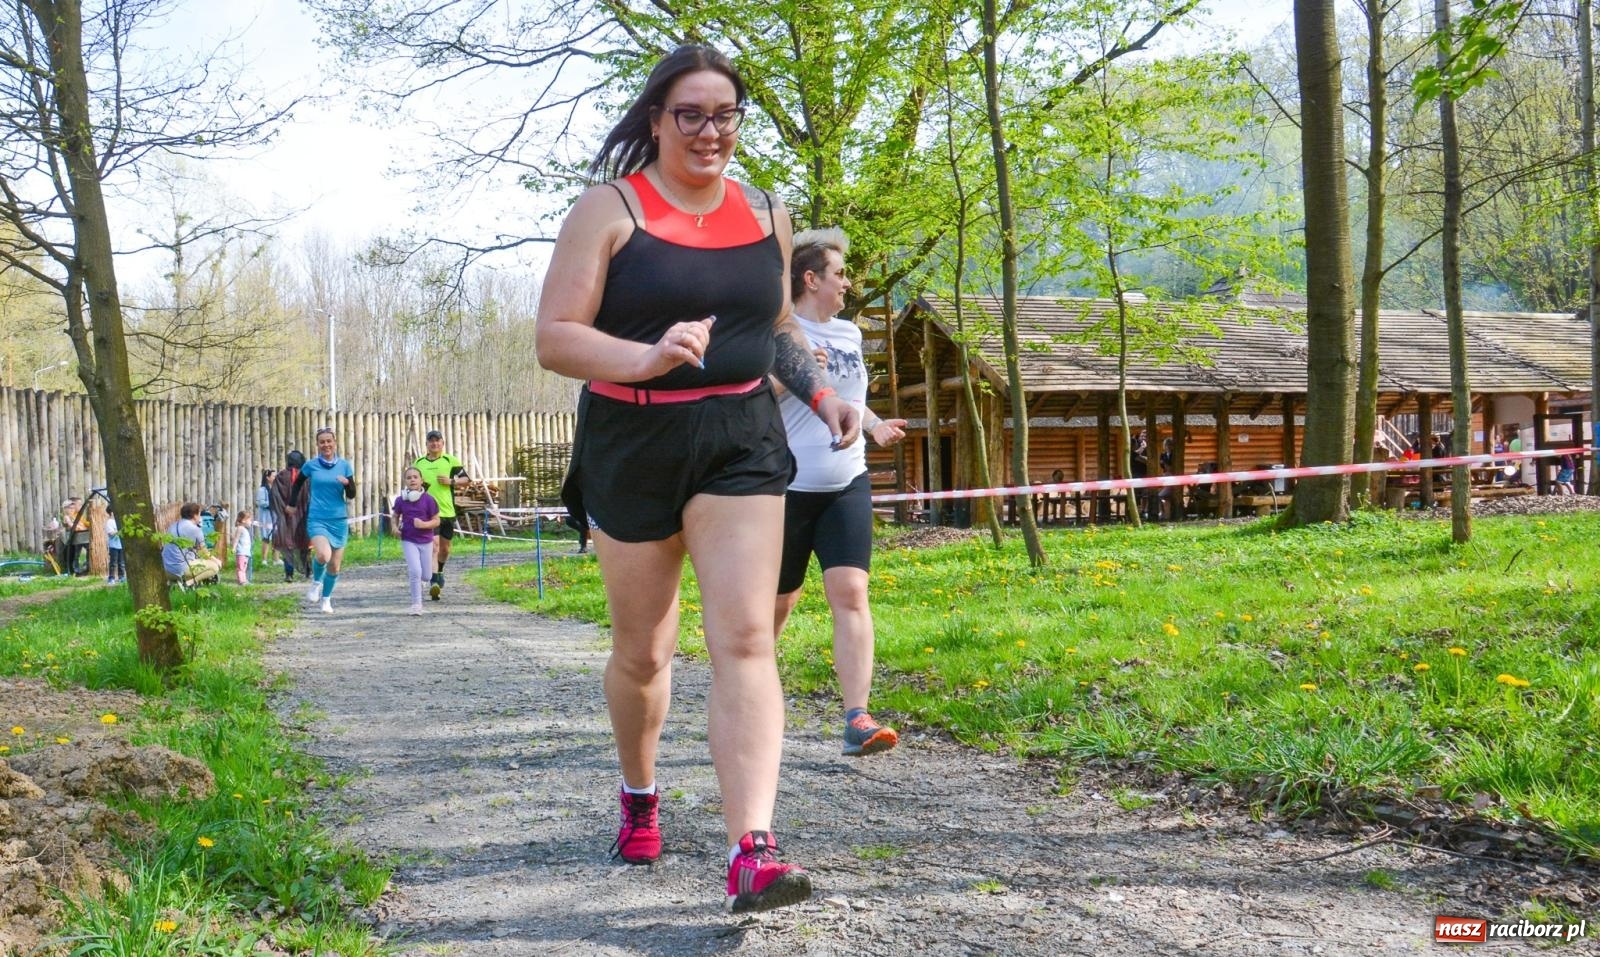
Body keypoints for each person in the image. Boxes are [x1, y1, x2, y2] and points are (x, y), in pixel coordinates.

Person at [535, 44, 859, 915]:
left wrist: (819, 387)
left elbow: (776, 325)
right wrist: (646, 352)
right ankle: (639, 795)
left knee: (746, 638)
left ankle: (751, 847)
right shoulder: (608, 210)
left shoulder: (767, 213)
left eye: (725, 115)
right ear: (656, 119)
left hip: (740, 438)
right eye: (691, 115)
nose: (711, 132)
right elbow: (555, 335)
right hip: (632, 435)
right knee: (644, 652)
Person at [771, 226, 907, 760]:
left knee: (851, 593)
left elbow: (850, 398)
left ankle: (857, 718)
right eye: (840, 274)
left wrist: (872, 426)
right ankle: (746, 694)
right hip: (785, 488)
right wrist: (796, 378)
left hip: (846, 481)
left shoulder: (850, 334)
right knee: (778, 605)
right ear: (811, 279)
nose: (848, 284)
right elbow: (751, 398)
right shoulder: (778, 332)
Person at [293, 427, 356, 613]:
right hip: (317, 518)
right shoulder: (311, 465)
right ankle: (315, 583)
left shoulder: (344, 466)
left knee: (335, 566)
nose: (326, 445)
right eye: (322, 442)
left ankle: (326, 600)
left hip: (339, 520)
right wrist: (291, 504)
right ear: (317, 445)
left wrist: (348, 484)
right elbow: (297, 484)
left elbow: (352, 494)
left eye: (329, 441)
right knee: (323, 555)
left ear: (335, 443)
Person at [413, 430, 466, 601]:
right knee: (434, 546)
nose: (434, 444)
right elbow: (412, 482)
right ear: (427, 444)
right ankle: (434, 582)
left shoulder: (450, 461)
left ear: (442, 443)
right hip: (427, 513)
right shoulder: (419, 463)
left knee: (445, 549)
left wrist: (452, 481)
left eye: (437, 441)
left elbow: (466, 480)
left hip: (447, 511)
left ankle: (440, 571)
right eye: (431, 441)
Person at [392, 466, 441, 616]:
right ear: (405, 482)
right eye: (409, 477)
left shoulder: (429, 500)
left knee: (426, 576)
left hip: (426, 540)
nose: (412, 479)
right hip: (408, 539)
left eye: (415, 477)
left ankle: (422, 583)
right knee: (415, 571)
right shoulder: (401, 500)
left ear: (421, 480)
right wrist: (394, 527)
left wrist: (424, 525)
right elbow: (395, 516)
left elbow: (437, 521)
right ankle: (416, 604)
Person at [270, 451, 311, 582]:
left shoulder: (281, 476)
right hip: (302, 518)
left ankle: (289, 574)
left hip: (286, 519)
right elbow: (311, 496)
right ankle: (307, 571)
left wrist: (284, 509)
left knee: (288, 545)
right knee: (303, 544)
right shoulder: (306, 476)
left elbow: (274, 496)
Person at [161, 502, 222, 586]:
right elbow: (205, 553)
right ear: (195, 515)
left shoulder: (172, 526)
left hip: (166, 570)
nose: (200, 517)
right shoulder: (195, 530)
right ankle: (188, 584)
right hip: (181, 570)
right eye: (199, 514)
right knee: (214, 567)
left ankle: (175, 583)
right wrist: (216, 561)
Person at [59, 497, 90, 576]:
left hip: (82, 536)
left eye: (73, 508)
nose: (72, 510)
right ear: (65, 509)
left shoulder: (76, 516)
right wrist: (79, 527)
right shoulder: (67, 517)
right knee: (76, 554)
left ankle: (87, 565)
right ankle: (75, 569)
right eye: (70, 508)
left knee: (89, 549)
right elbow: (73, 526)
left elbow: (83, 523)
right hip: (75, 538)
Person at [256, 470, 278, 568]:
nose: (275, 478)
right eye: (273, 476)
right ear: (267, 478)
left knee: (276, 537)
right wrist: (272, 505)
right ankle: (264, 559)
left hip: (275, 515)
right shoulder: (262, 490)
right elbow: (261, 503)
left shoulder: (276, 488)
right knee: (266, 538)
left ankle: (276, 559)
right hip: (266, 517)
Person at [232, 510, 253, 584]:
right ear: (244, 520)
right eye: (250, 520)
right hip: (241, 552)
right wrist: (234, 547)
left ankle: (244, 579)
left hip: (246, 552)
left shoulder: (245, 529)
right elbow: (236, 539)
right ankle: (241, 581)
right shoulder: (240, 528)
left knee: (244, 567)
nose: (251, 522)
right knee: (240, 567)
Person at [105, 508, 125, 585]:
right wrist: (119, 530)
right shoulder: (109, 522)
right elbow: (110, 533)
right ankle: (111, 578)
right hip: (113, 545)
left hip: (121, 545)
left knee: (121, 562)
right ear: (111, 513)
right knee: (113, 562)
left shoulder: (119, 521)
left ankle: (121, 577)